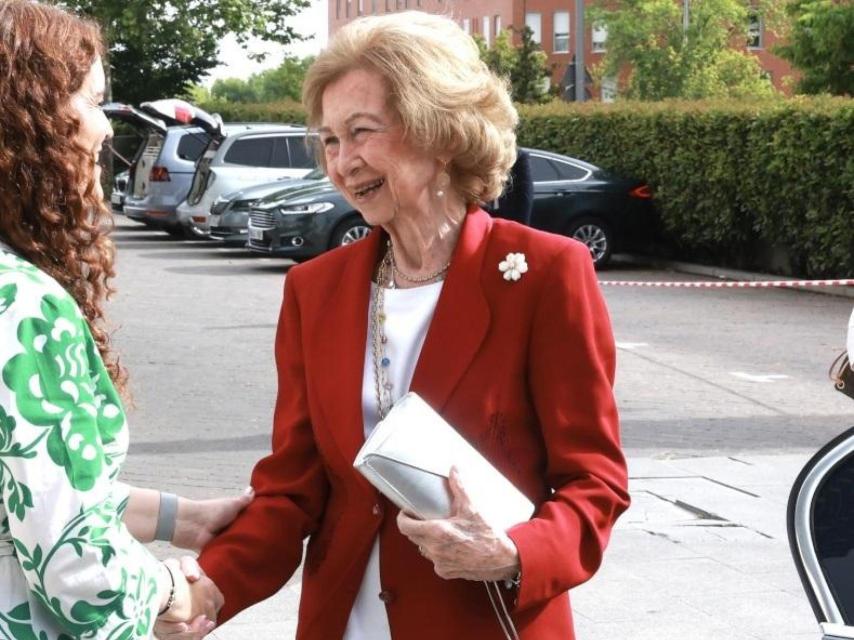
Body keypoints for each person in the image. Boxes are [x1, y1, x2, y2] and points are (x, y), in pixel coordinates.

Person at [188, 11, 629, 640]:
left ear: (440, 132)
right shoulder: (315, 289)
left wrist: (516, 553)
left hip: (485, 622)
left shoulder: (545, 273)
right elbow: (293, 488)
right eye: (330, 141)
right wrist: (206, 588)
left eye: (362, 132)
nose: (342, 163)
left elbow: (595, 482)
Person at [0, 2, 249, 637]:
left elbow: (27, 492)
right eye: (92, 102)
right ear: (25, 121)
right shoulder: (21, 305)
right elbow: (76, 565)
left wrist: (181, 520)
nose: (106, 130)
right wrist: (169, 591)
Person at [485, 149, 535, 226]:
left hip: (509, 218)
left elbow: (524, 197)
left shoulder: (518, 157)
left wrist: (520, 229)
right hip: (480, 219)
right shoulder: (474, 154)